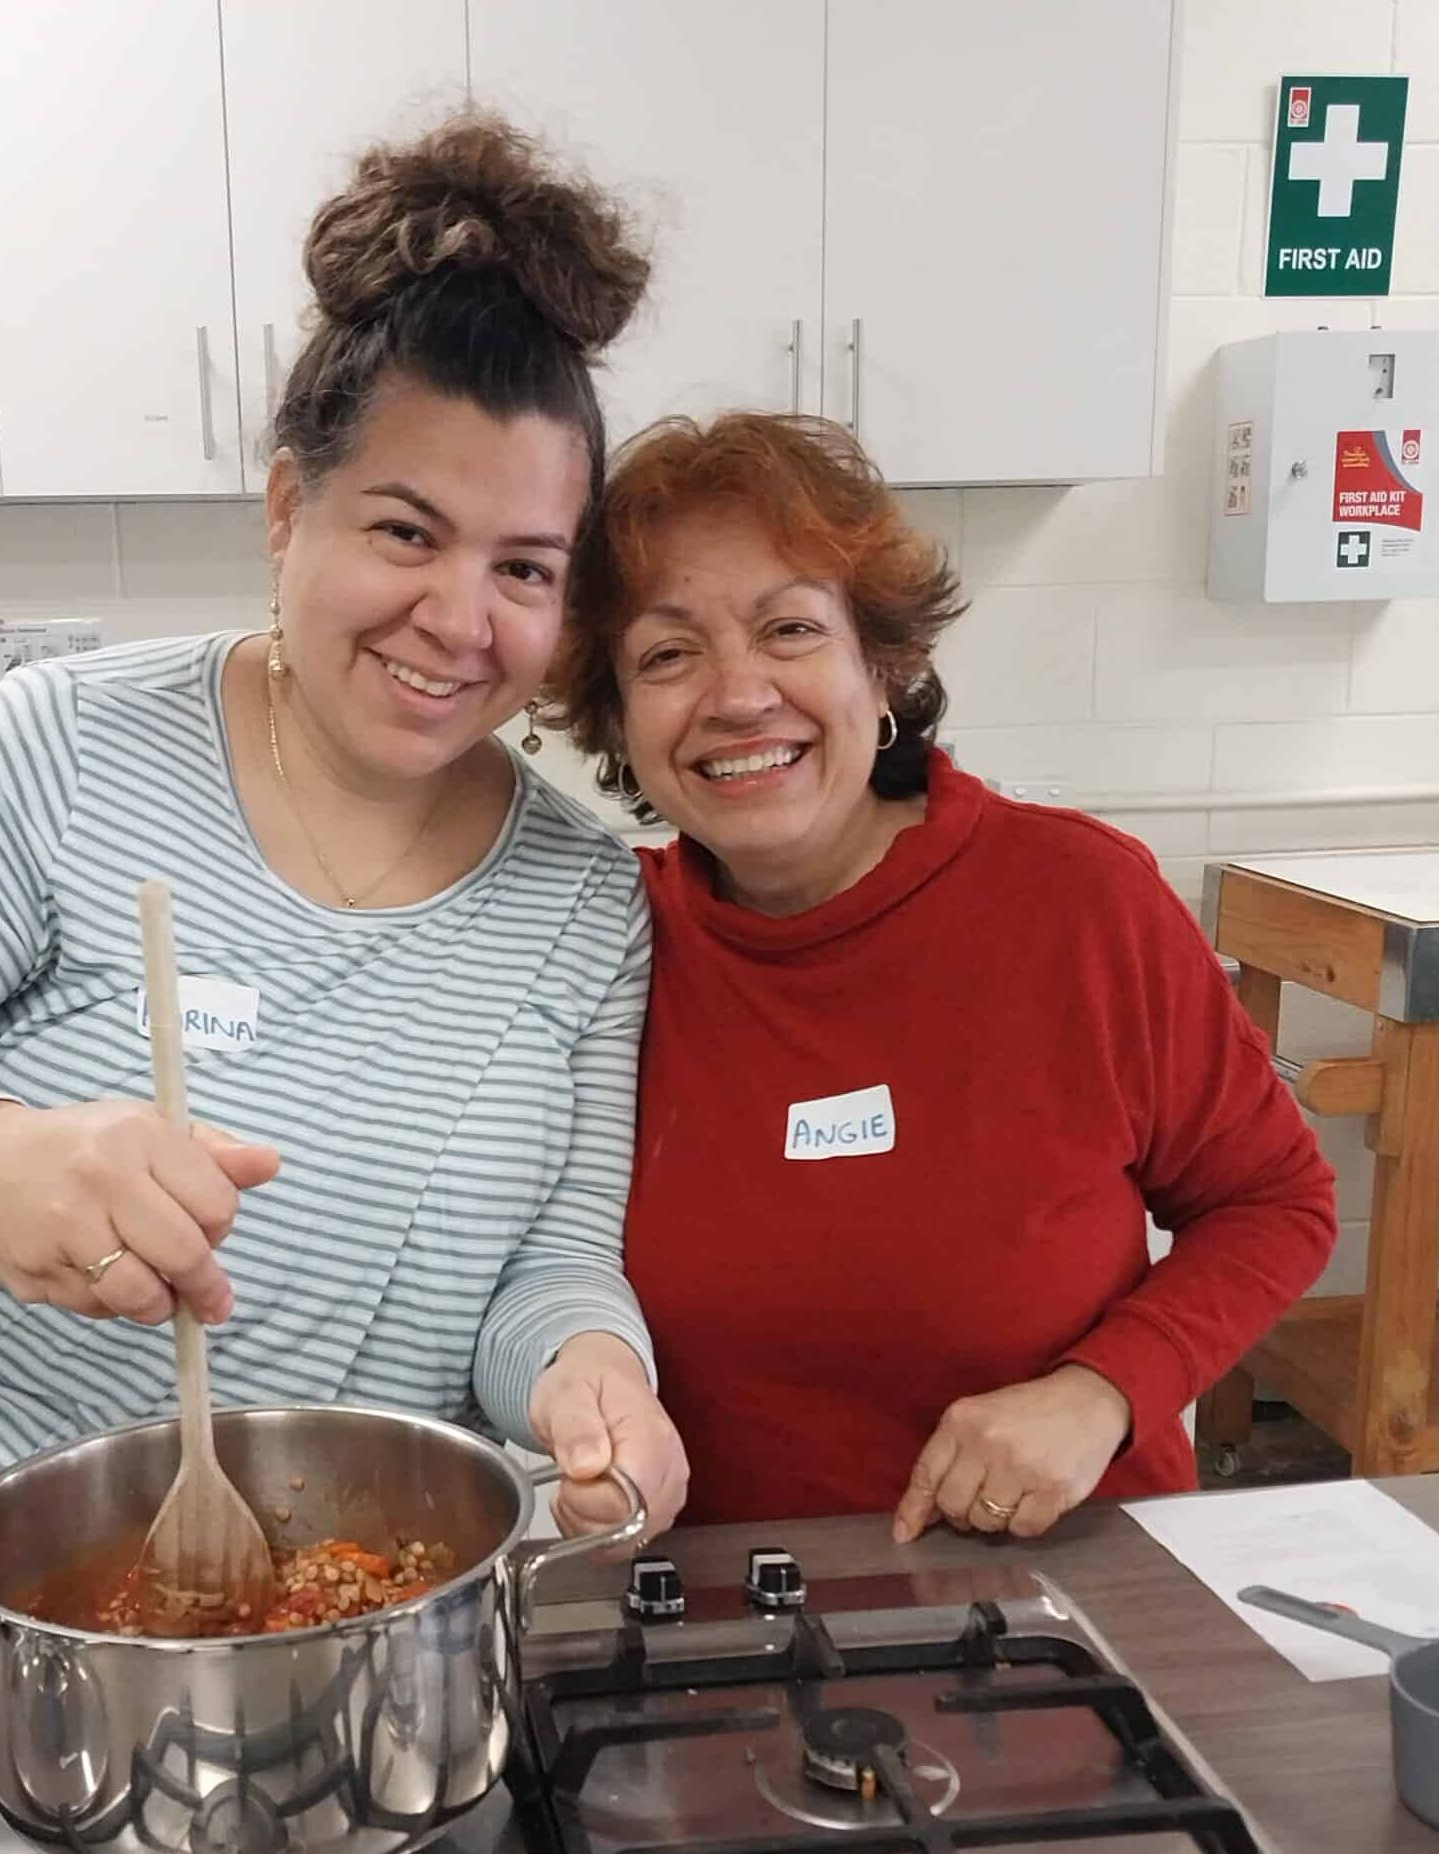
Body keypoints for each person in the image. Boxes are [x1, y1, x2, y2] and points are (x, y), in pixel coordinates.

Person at [0, 114, 687, 1600]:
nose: (459, 617)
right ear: (285, 510)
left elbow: (549, 1267)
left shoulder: (582, 901)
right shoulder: (73, 751)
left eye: (522, 567)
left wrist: (588, 1370)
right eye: (404, 530)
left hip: (339, 1618)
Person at [548, 410, 1335, 1540]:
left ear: (882, 668)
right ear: (618, 723)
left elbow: (1274, 1202)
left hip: (1064, 1593)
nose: (735, 694)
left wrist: (1099, 1391)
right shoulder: (601, 945)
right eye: (666, 655)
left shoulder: (1076, 902)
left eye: (787, 629)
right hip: (725, 1618)